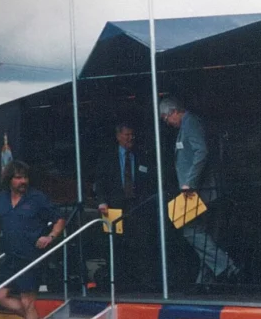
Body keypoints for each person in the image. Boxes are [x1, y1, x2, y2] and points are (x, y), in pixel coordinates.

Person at [0, 161, 65, 319]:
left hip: (30, 257)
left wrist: (50, 237)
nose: (23, 181)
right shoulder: (1, 199)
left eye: (25, 177)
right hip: (9, 257)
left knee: (28, 302)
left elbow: (59, 219)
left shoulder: (37, 198)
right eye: (18, 177)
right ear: (9, 179)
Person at [159, 96, 240, 285]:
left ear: (173, 112)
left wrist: (190, 182)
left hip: (197, 191)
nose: (167, 123)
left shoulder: (190, 123)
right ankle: (204, 281)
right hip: (197, 191)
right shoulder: (188, 124)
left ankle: (228, 267)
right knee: (204, 236)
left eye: (166, 118)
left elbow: (201, 151)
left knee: (190, 231)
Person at [94, 123, 157, 290]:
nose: (130, 138)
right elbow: (100, 182)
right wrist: (102, 201)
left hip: (138, 206)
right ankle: (120, 282)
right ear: (118, 136)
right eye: (127, 135)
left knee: (142, 243)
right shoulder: (108, 157)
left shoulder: (141, 155)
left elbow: (150, 180)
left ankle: (144, 283)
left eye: (132, 135)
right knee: (117, 244)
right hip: (114, 207)